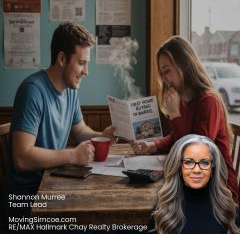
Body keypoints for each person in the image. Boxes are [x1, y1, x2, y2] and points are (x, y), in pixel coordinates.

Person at [3, 22, 115, 223]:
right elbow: (22, 158)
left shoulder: (71, 90)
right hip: (26, 199)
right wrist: (72, 155)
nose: (86, 71)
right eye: (81, 63)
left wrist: (102, 135)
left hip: (54, 185)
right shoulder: (32, 91)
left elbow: (80, 130)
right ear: (62, 58)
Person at [131, 36, 239, 204]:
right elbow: (177, 138)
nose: (164, 78)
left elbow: (196, 155)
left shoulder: (208, 101)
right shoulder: (184, 98)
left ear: (185, 65)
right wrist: (152, 146)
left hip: (219, 192)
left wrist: (175, 116)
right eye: (161, 72)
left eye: (167, 71)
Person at [148, 134, 240, 234]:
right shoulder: (163, 209)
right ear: (179, 167)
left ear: (213, 168)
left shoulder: (228, 210)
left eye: (204, 163)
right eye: (188, 162)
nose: (197, 170)